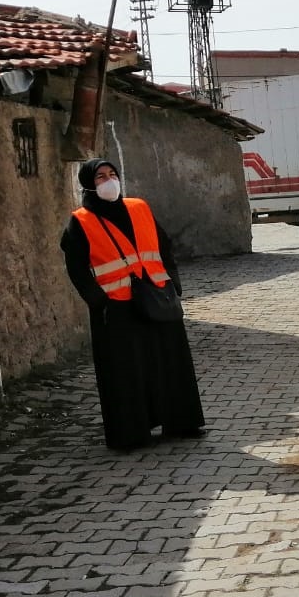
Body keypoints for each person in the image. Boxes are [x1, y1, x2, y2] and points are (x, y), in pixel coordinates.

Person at [60, 159, 205, 452]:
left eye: (112, 174)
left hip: (157, 298)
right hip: (117, 308)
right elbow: (76, 267)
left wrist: (173, 282)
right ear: (89, 183)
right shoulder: (81, 220)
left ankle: (181, 422)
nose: (109, 180)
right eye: (101, 177)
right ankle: (131, 434)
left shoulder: (139, 207)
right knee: (126, 372)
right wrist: (97, 300)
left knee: (170, 364)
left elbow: (164, 247)